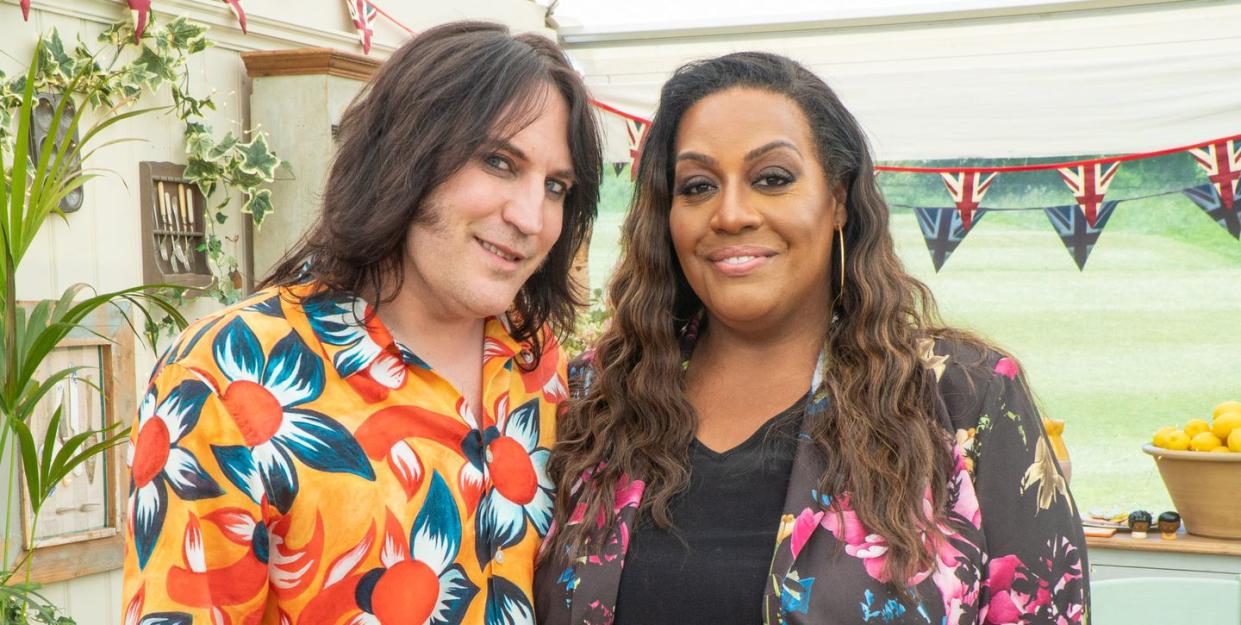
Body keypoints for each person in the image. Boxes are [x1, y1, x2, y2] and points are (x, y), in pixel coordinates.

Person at [536, 52, 1088, 625]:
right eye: (697, 186)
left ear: (840, 200)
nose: (730, 214)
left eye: (772, 179)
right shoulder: (594, 397)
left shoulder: (965, 398)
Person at [122, 21, 601, 625]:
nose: (532, 216)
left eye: (556, 186)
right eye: (500, 162)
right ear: (407, 152)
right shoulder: (224, 374)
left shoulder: (540, 366)